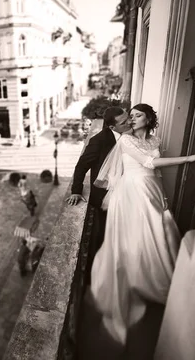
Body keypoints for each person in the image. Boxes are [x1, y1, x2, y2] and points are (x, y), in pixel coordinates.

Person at [90, 103, 195, 346]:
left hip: (152, 189)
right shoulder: (125, 140)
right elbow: (148, 164)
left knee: (159, 230)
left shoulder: (155, 140)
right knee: (140, 234)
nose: (132, 119)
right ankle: (142, 281)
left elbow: (156, 174)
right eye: (130, 116)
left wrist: (163, 195)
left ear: (149, 118)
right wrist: (189, 158)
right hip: (133, 191)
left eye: (137, 115)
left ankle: (152, 275)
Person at [66, 107, 131, 273]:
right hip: (105, 197)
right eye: (124, 122)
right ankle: (99, 271)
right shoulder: (99, 140)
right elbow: (81, 166)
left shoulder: (132, 134)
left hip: (129, 193)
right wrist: (76, 190)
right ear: (112, 127)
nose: (129, 122)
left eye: (128, 118)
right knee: (104, 236)